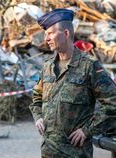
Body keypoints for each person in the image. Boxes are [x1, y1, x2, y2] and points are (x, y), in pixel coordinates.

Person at [29, 8, 116, 158]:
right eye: (45, 35)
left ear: (66, 33)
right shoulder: (47, 67)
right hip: (48, 151)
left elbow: (113, 102)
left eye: (50, 33)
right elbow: (37, 97)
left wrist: (87, 130)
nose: (46, 39)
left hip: (75, 153)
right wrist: (38, 117)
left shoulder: (89, 66)